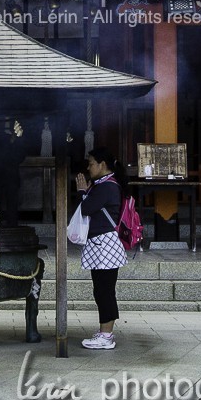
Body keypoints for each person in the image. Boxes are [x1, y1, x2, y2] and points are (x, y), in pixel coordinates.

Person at [74, 146, 126, 350]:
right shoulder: (105, 185)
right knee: (102, 289)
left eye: (91, 163)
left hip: (104, 244)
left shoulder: (107, 186)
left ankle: (106, 335)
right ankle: (105, 331)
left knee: (104, 290)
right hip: (103, 244)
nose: (89, 167)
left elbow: (85, 209)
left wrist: (81, 192)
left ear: (102, 164)